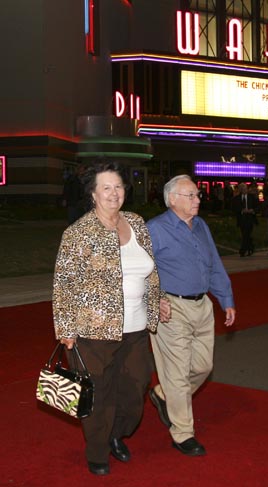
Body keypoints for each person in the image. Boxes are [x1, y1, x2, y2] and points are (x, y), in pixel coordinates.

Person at [52, 160, 161, 476]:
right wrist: (66, 328)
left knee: (135, 387)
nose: (114, 193)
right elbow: (64, 283)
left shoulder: (137, 223)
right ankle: (98, 450)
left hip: (136, 328)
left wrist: (159, 301)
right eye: (106, 188)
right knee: (98, 394)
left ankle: (116, 433)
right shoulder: (79, 233)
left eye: (119, 187)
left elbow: (150, 272)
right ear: (93, 194)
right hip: (93, 331)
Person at [146, 175, 236, 456]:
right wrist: (155, 299)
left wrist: (225, 299)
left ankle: (163, 394)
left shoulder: (200, 226)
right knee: (177, 374)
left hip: (202, 305)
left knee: (203, 367)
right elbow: (140, 270)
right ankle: (183, 433)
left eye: (197, 195)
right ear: (172, 199)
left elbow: (214, 264)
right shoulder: (155, 229)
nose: (198, 199)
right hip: (171, 308)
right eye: (192, 195)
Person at [232, 182, 259, 256]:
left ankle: (243, 250)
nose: (244, 190)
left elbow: (258, 206)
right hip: (242, 219)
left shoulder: (252, 197)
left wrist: (252, 210)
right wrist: (242, 210)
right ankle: (250, 247)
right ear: (240, 190)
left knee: (247, 233)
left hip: (250, 218)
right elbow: (234, 208)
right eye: (242, 189)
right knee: (245, 234)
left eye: (245, 188)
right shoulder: (236, 198)